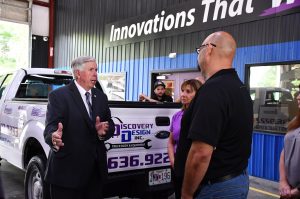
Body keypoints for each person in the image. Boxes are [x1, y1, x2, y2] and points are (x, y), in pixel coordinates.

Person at [175, 31, 253, 199]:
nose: (198, 55)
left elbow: (201, 153)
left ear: (209, 49)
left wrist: (187, 194)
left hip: (214, 188)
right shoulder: (239, 88)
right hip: (236, 180)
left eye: (199, 50)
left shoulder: (212, 90)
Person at [44, 56, 115, 199]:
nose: (95, 74)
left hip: (94, 175)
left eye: (96, 70)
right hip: (67, 175)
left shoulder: (101, 97)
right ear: (77, 73)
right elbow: (50, 128)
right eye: (91, 70)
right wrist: (53, 137)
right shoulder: (58, 96)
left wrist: (103, 131)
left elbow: (110, 124)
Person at [167, 79, 202, 199]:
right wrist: (173, 161)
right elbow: (171, 141)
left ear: (198, 94)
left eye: (188, 91)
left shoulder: (201, 116)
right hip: (178, 165)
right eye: (182, 91)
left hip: (194, 167)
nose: (183, 94)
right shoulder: (177, 116)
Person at [279, 92, 300, 199]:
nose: (298, 97)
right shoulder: (296, 121)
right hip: (288, 191)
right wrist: (283, 182)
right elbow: (285, 152)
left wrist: (297, 191)